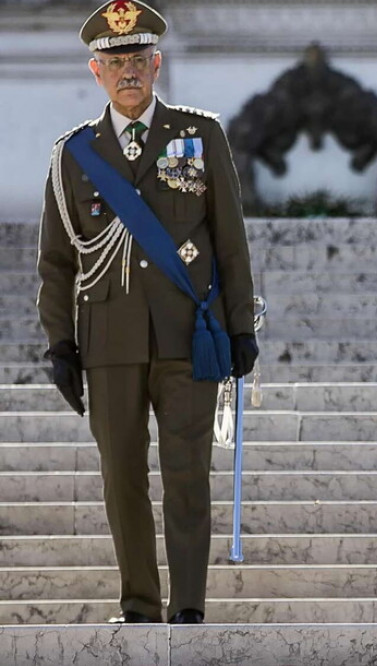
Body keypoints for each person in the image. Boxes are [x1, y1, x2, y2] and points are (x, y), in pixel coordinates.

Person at [36, 0, 257, 625]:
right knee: (121, 478)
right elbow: (56, 261)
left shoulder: (199, 133)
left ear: (157, 65)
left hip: (190, 336)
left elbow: (230, 239)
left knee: (188, 476)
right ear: (94, 71)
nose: (127, 71)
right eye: (115, 62)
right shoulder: (74, 154)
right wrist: (60, 344)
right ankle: (138, 607)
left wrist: (240, 325)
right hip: (108, 340)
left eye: (137, 60)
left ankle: (188, 607)